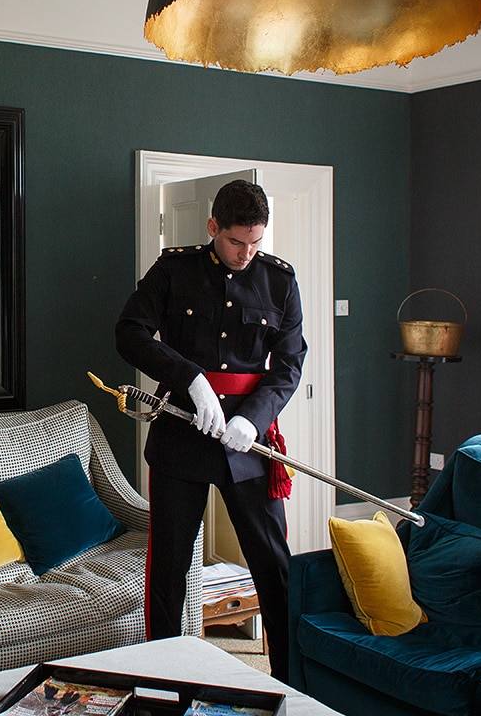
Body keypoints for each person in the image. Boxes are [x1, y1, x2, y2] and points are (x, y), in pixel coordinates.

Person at [115, 179, 306, 682]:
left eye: (256, 242)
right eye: (235, 241)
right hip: (183, 435)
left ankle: (288, 680)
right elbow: (129, 332)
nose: (246, 253)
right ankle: (165, 677)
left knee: (274, 567)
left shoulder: (280, 281)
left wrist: (255, 417)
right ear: (212, 227)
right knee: (169, 570)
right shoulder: (174, 268)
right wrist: (190, 378)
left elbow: (288, 366)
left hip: (249, 442)